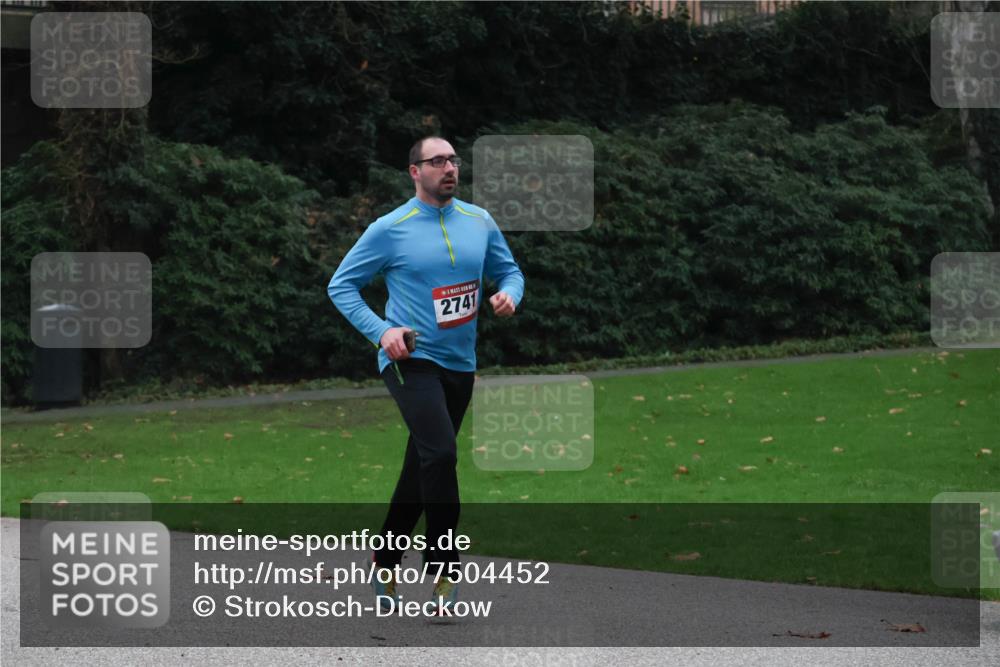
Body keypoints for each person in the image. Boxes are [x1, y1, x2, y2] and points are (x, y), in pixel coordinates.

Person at [327, 136, 525, 614]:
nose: (449, 168)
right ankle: (443, 568)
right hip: (408, 360)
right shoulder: (391, 228)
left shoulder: (480, 222)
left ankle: (385, 555)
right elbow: (342, 285)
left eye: (453, 160)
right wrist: (382, 331)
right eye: (437, 161)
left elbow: (510, 271)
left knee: (422, 464)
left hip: (460, 365)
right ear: (414, 171)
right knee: (440, 452)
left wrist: (509, 296)